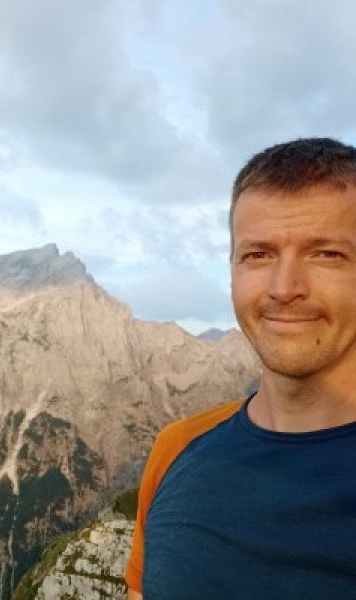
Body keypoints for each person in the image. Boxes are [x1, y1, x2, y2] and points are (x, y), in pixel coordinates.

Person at [125, 137, 356, 600]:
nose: (284, 288)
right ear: (232, 271)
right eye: (258, 255)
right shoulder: (176, 449)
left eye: (327, 253)